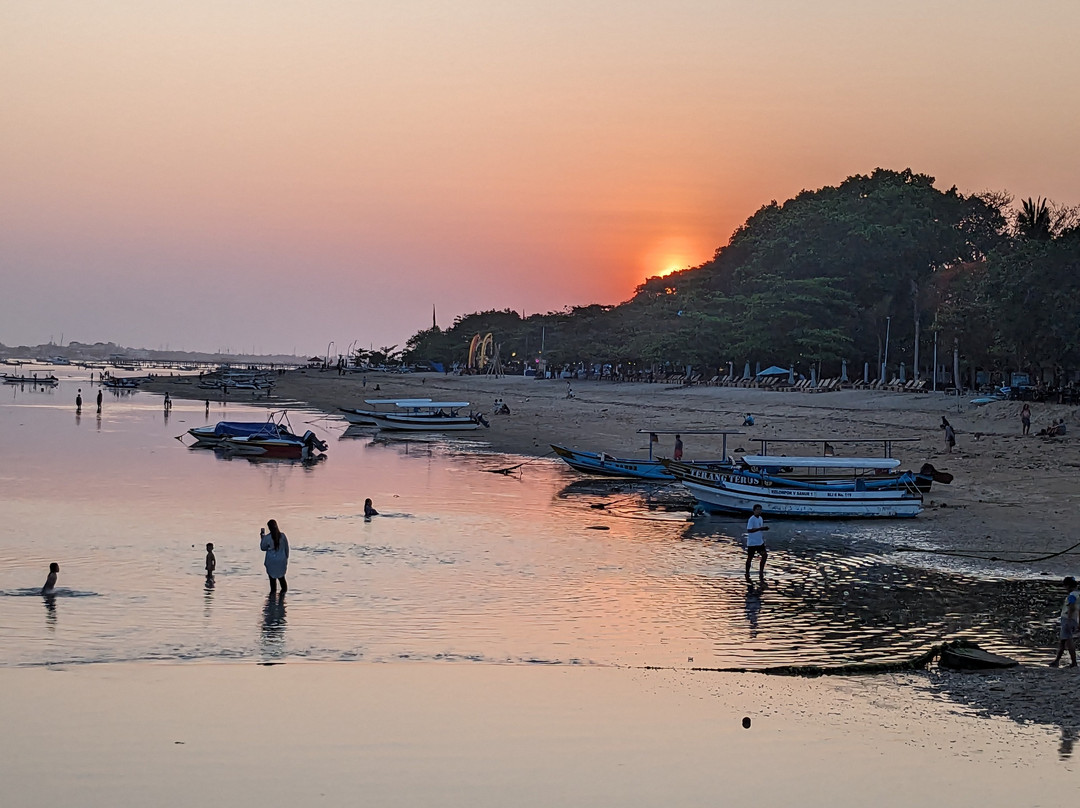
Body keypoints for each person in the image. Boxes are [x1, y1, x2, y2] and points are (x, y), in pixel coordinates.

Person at [1050, 576, 1079, 667]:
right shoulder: (1078, 594)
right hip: (1075, 619)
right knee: (1062, 641)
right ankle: (1057, 661)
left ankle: (1074, 662)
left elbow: (1072, 607)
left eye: (1065, 586)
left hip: (1068, 619)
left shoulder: (1071, 596)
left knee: (1068, 640)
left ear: (1068, 586)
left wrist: (1069, 620)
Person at [260, 519, 289, 594]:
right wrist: (286, 559)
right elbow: (287, 549)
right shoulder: (282, 536)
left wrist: (262, 537)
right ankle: (282, 599)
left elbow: (263, 548)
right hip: (281, 560)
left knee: (272, 583)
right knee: (282, 580)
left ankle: (272, 602)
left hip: (271, 561)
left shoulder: (267, 538)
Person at [745, 504, 769, 578]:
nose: (759, 511)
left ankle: (761, 571)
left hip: (759, 542)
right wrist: (760, 529)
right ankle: (747, 572)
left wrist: (763, 529)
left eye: (760, 509)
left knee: (764, 555)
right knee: (750, 558)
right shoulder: (752, 519)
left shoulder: (760, 518)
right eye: (757, 509)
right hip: (752, 543)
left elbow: (760, 528)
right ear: (754, 510)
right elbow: (749, 530)